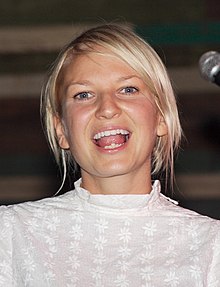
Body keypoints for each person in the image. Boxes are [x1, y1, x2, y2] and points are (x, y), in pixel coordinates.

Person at [0, 23, 219, 287]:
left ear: (161, 118)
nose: (107, 108)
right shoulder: (11, 234)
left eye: (128, 89)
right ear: (62, 131)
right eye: (83, 94)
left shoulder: (211, 247)